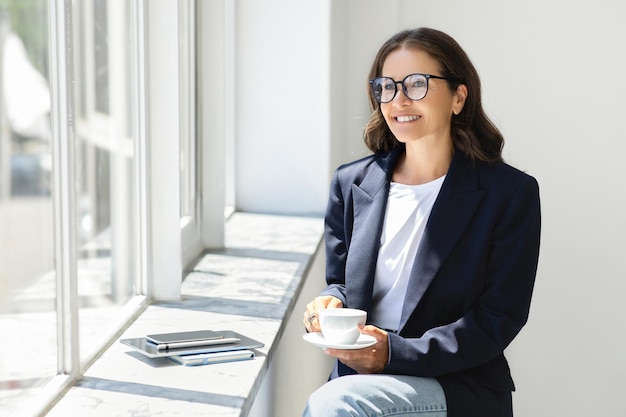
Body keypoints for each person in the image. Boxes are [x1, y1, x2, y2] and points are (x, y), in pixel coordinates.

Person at [301, 27, 541, 417]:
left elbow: (500, 318)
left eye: (416, 84)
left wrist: (393, 353)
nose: (398, 100)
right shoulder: (352, 183)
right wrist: (331, 303)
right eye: (387, 86)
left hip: (454, 383)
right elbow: (344, 282)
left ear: (458, 97)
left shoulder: (509, 193)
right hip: (360, 378)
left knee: (334, 406)